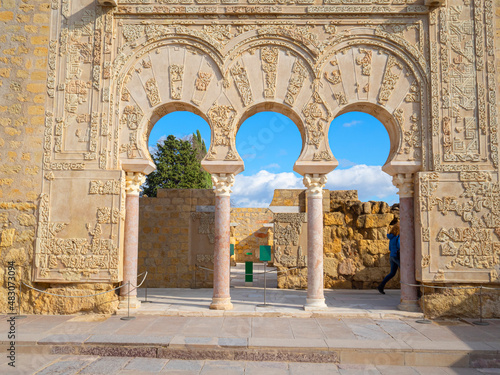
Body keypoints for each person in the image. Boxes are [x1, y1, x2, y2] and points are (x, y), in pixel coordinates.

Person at [377, 223, 400, 295]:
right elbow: (399, 246)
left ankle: (381, 286)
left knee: (392, 273)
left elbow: (390, 248)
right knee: (406, 272)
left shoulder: (391, 238)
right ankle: (408, 289)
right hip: (397, 256)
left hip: (392, 256)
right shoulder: (397, 237)